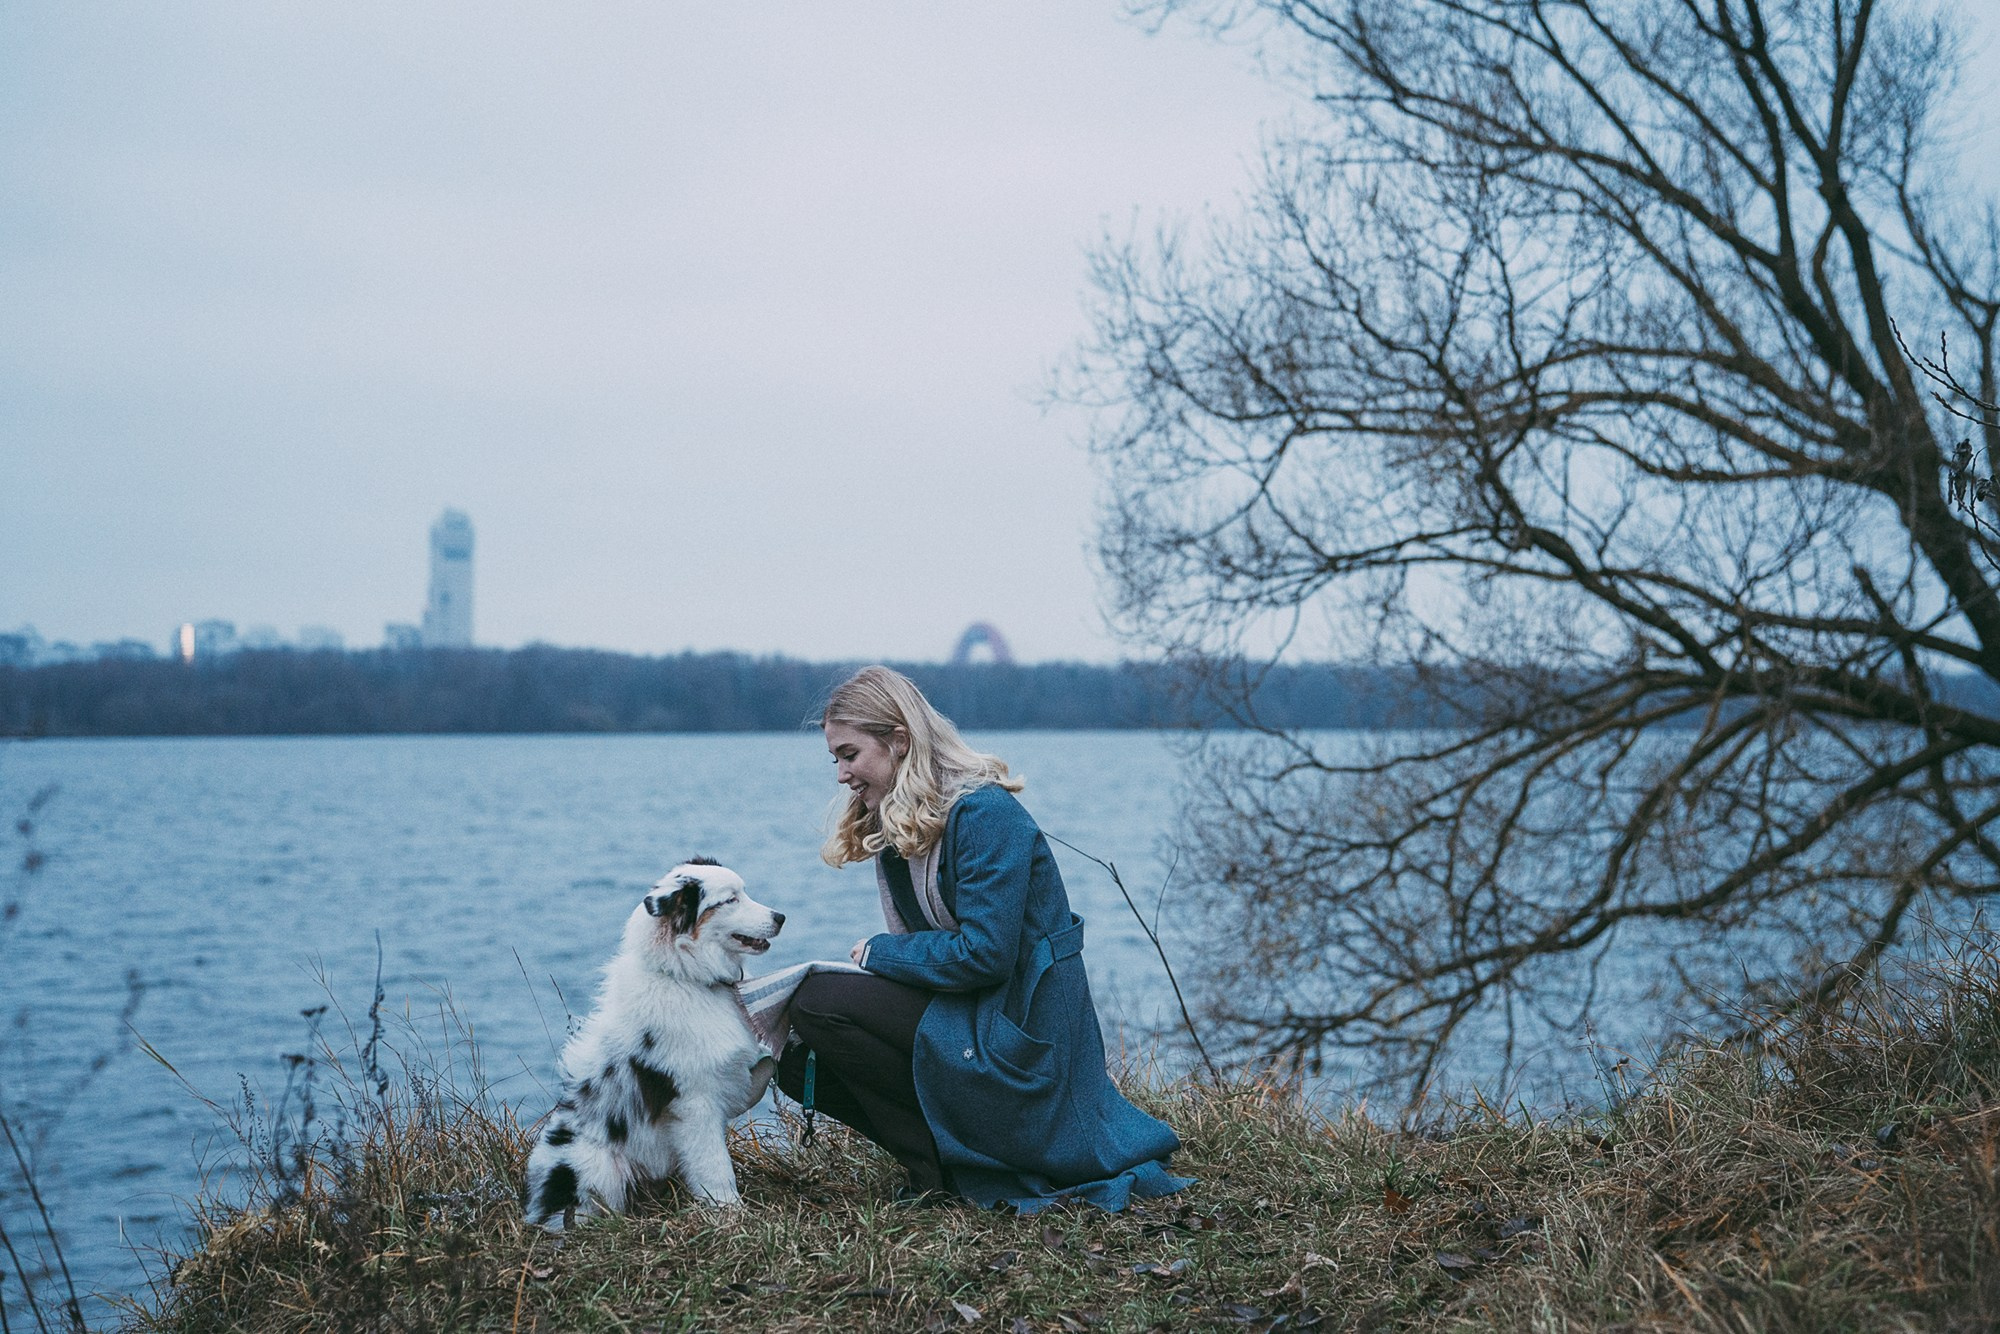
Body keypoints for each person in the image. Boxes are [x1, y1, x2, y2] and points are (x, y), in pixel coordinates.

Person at [772, 665, 1192, 1211]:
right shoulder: (905, 826)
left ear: (899, 742)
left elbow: (985, 957)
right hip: (974, 1015)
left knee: (819, 1000)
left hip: (1019, 1043)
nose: (841, 775)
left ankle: (948, 1167)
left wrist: (882, 951)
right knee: (795, 1057)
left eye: (850, 755)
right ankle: (939, 1165)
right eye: (836, 759)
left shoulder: (987, 814)